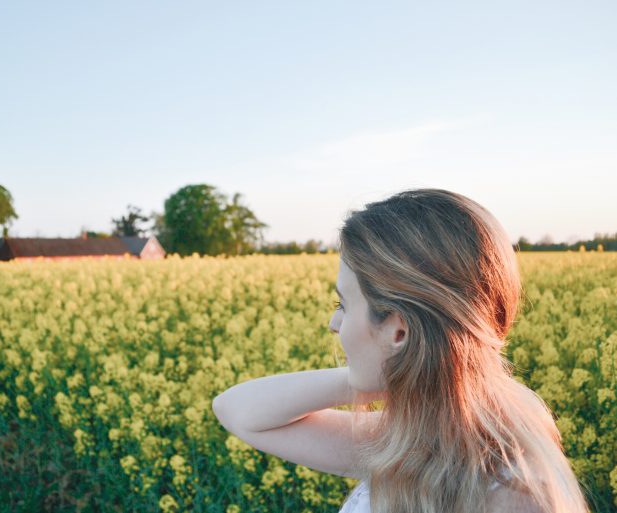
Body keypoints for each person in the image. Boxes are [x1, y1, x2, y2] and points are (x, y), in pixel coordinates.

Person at [212, 188, 592, 513]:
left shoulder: (515, 495)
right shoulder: (416, 440)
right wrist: (398, 369)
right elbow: (236, 409)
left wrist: (393, 366)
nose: (334, 325)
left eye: (343, 305)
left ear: (398, 329)